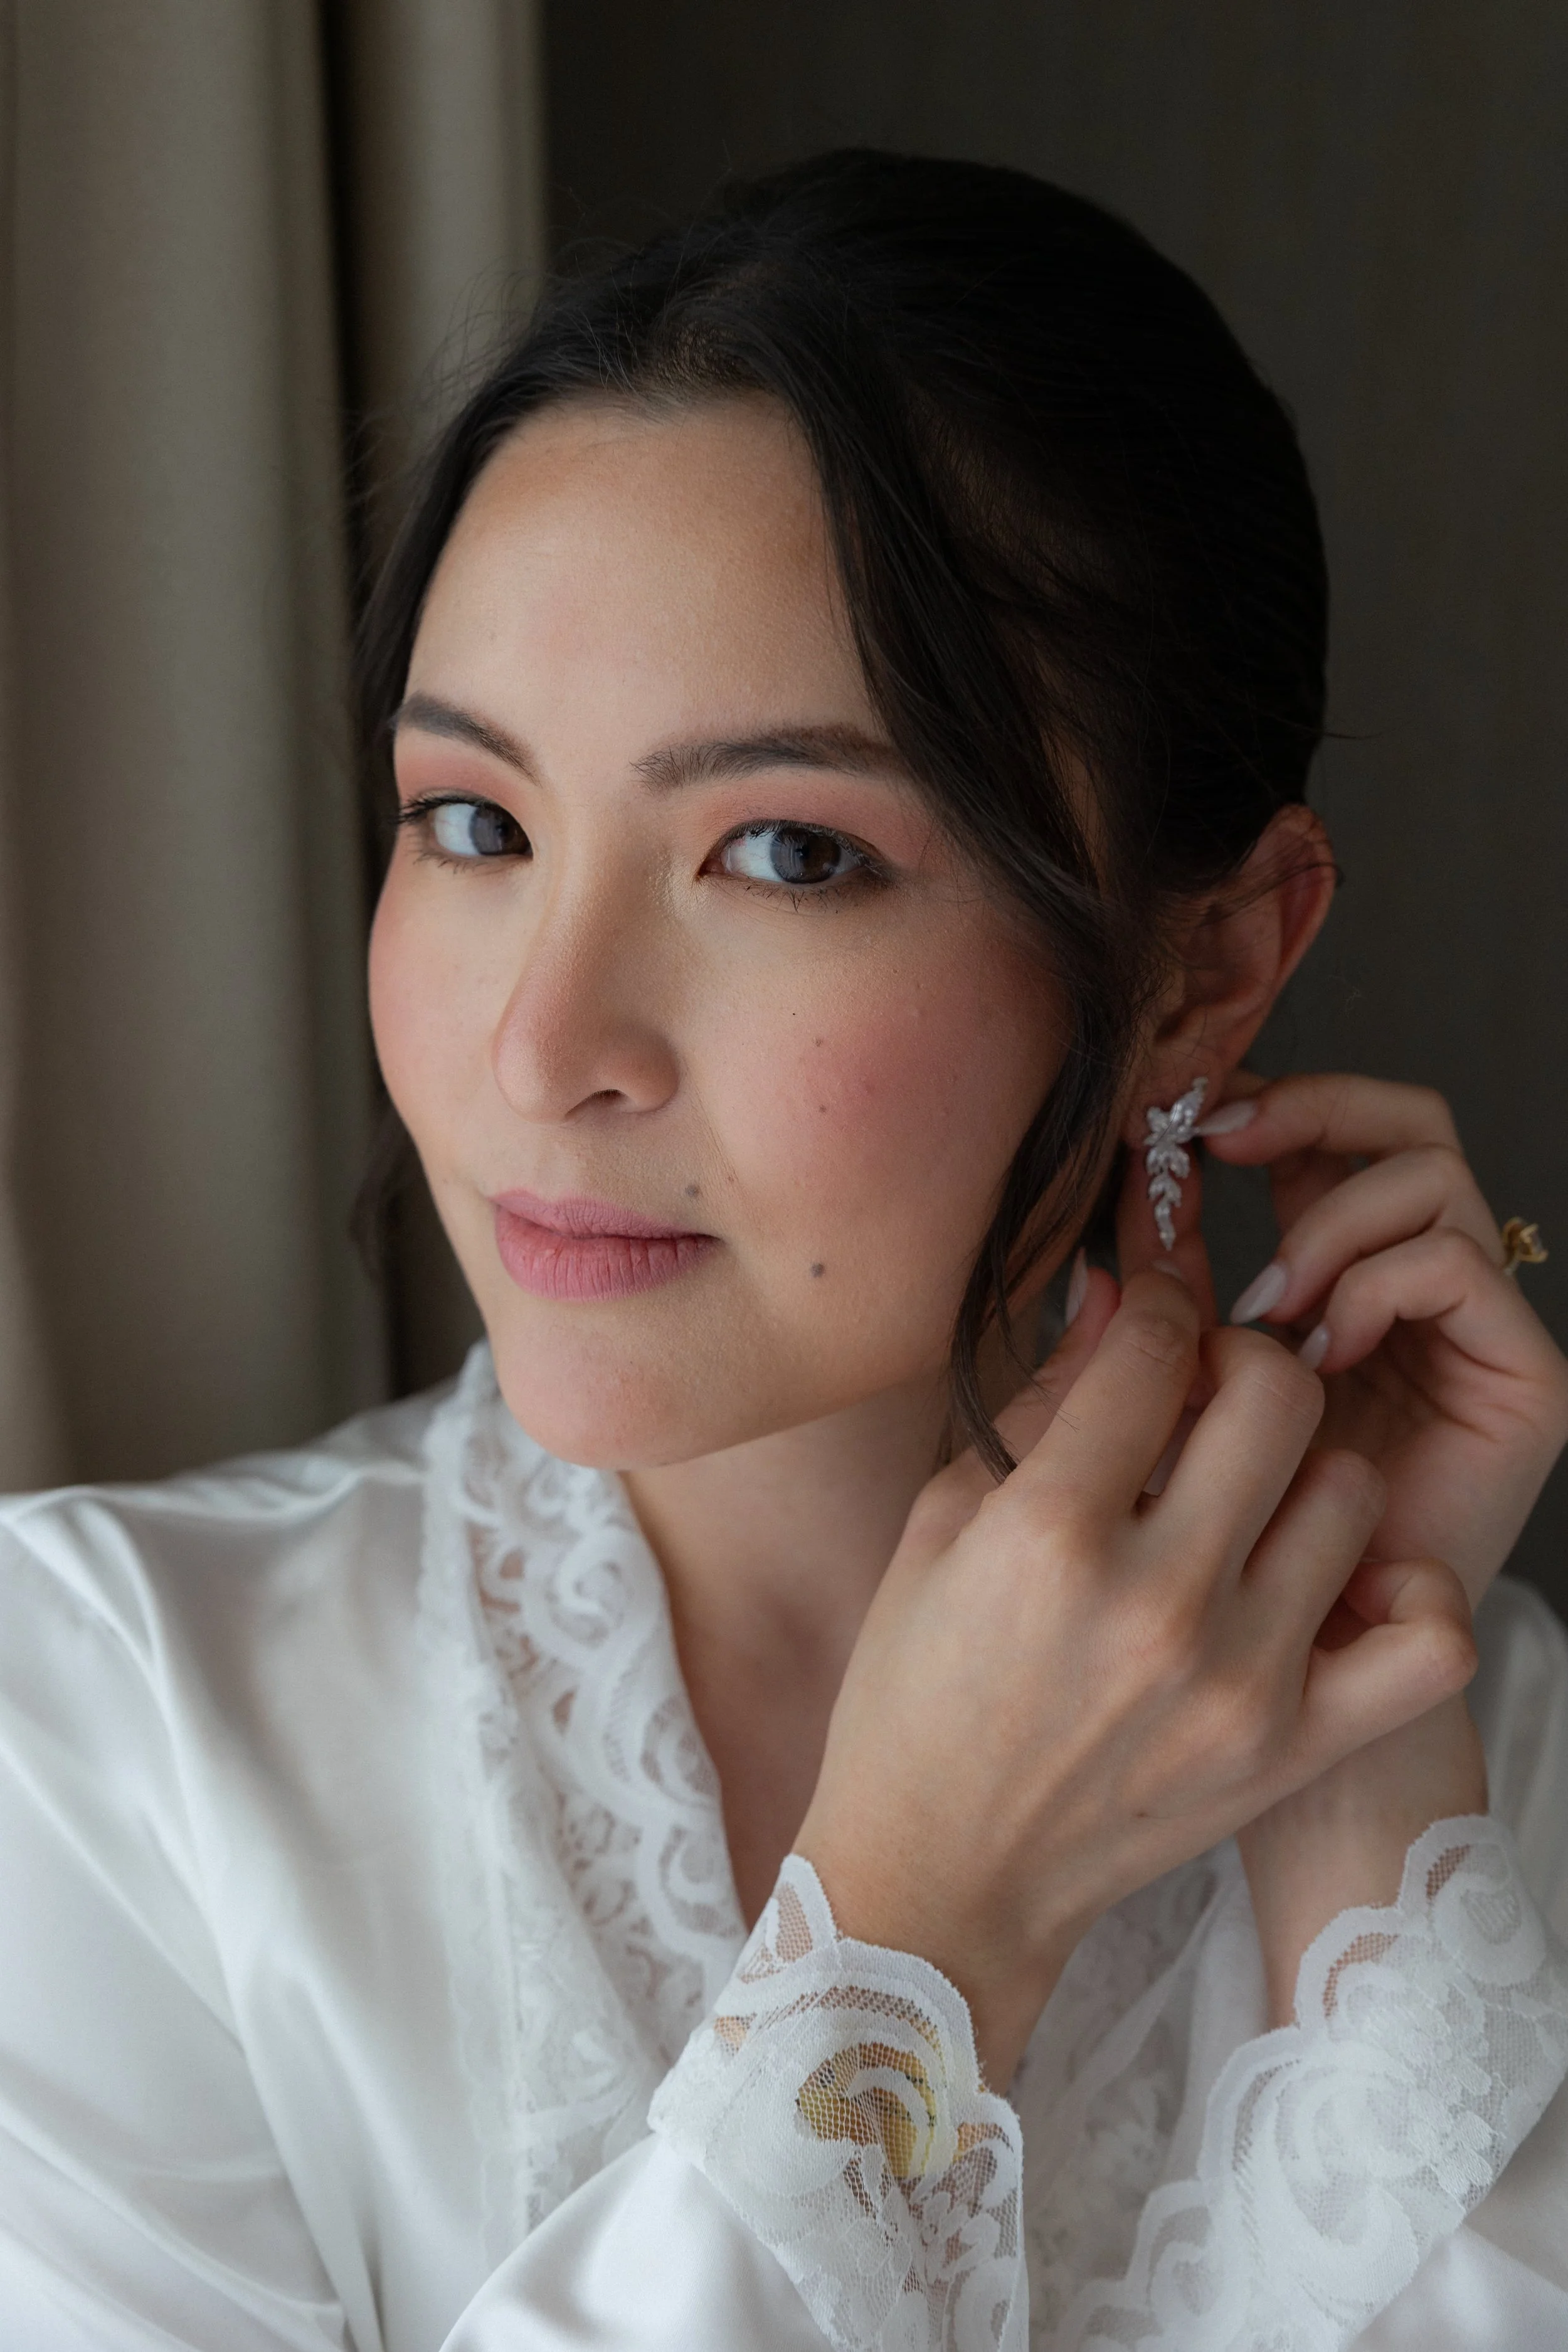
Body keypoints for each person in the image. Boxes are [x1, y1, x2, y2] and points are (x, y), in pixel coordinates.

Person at [2, 149, 1565, 2352]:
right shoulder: (104, 1729)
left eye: (783, 851)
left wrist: (1358, 1814)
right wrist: (917, 1935)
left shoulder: (1480, 1760)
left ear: (1207, 962)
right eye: (473, 822)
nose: (544, 1044)